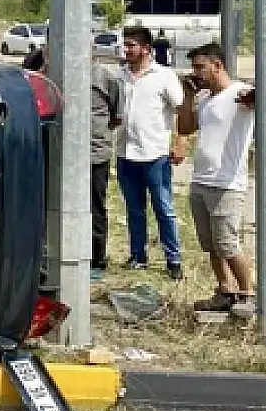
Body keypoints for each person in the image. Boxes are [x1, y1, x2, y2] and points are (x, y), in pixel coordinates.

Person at [172, 42, 257, 316]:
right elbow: (185, 126)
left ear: (217, 65)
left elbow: (260, 99)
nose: (196, 73)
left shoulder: (238, 93)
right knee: (210, 244)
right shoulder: (206, 99)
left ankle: (247, 293)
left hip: (227, 183)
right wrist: (187, 95)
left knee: (227, 242)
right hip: (202, 180)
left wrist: (253, 98)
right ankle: (225, 290)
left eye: (200, 67)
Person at [115, 25, 186, 279]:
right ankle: (138, 256)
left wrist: (180, 142)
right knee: (134, 209)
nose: (126, 49)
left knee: (163, 207)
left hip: (154, 154)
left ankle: (173, 260)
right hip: (126, 153)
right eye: (125, 44)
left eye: (132, 45)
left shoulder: (164, 76)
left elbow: (181, 109)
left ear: (146, 48)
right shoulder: (120, 76)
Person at [89, 55, 127, 280]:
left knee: (95, 207)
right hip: (58, 155)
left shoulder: (106, 78)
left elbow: (116, 118)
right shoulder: (53, 74)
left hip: (95, 154)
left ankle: (97, 259)